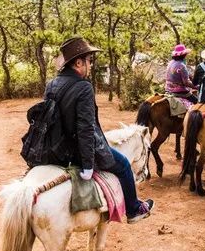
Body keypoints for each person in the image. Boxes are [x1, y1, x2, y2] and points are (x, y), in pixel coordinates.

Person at [48, 36, 154, 224]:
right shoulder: (84, 87)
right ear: (78, 63)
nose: (91, 64)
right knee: (122, 165)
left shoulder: (52, 84)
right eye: (89, 60)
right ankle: (134, 209)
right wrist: (88, 165)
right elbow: (85, 129)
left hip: (58, 149)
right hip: (79, 151)